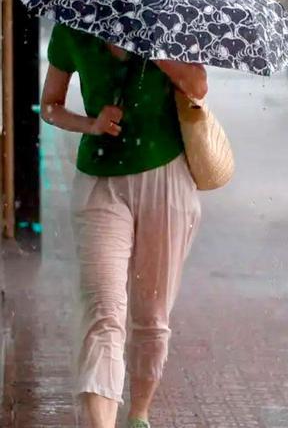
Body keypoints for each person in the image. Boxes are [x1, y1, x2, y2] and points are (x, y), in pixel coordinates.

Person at [40, 23, 208, 428]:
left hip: (165, 178)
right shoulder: (72, 30)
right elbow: (50, 106)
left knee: (151, 316)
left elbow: (198, 86)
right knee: (104, 311)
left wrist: (155, 47)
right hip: (100, 184)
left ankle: (138, 413)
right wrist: (91, 124)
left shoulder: (172, 26)